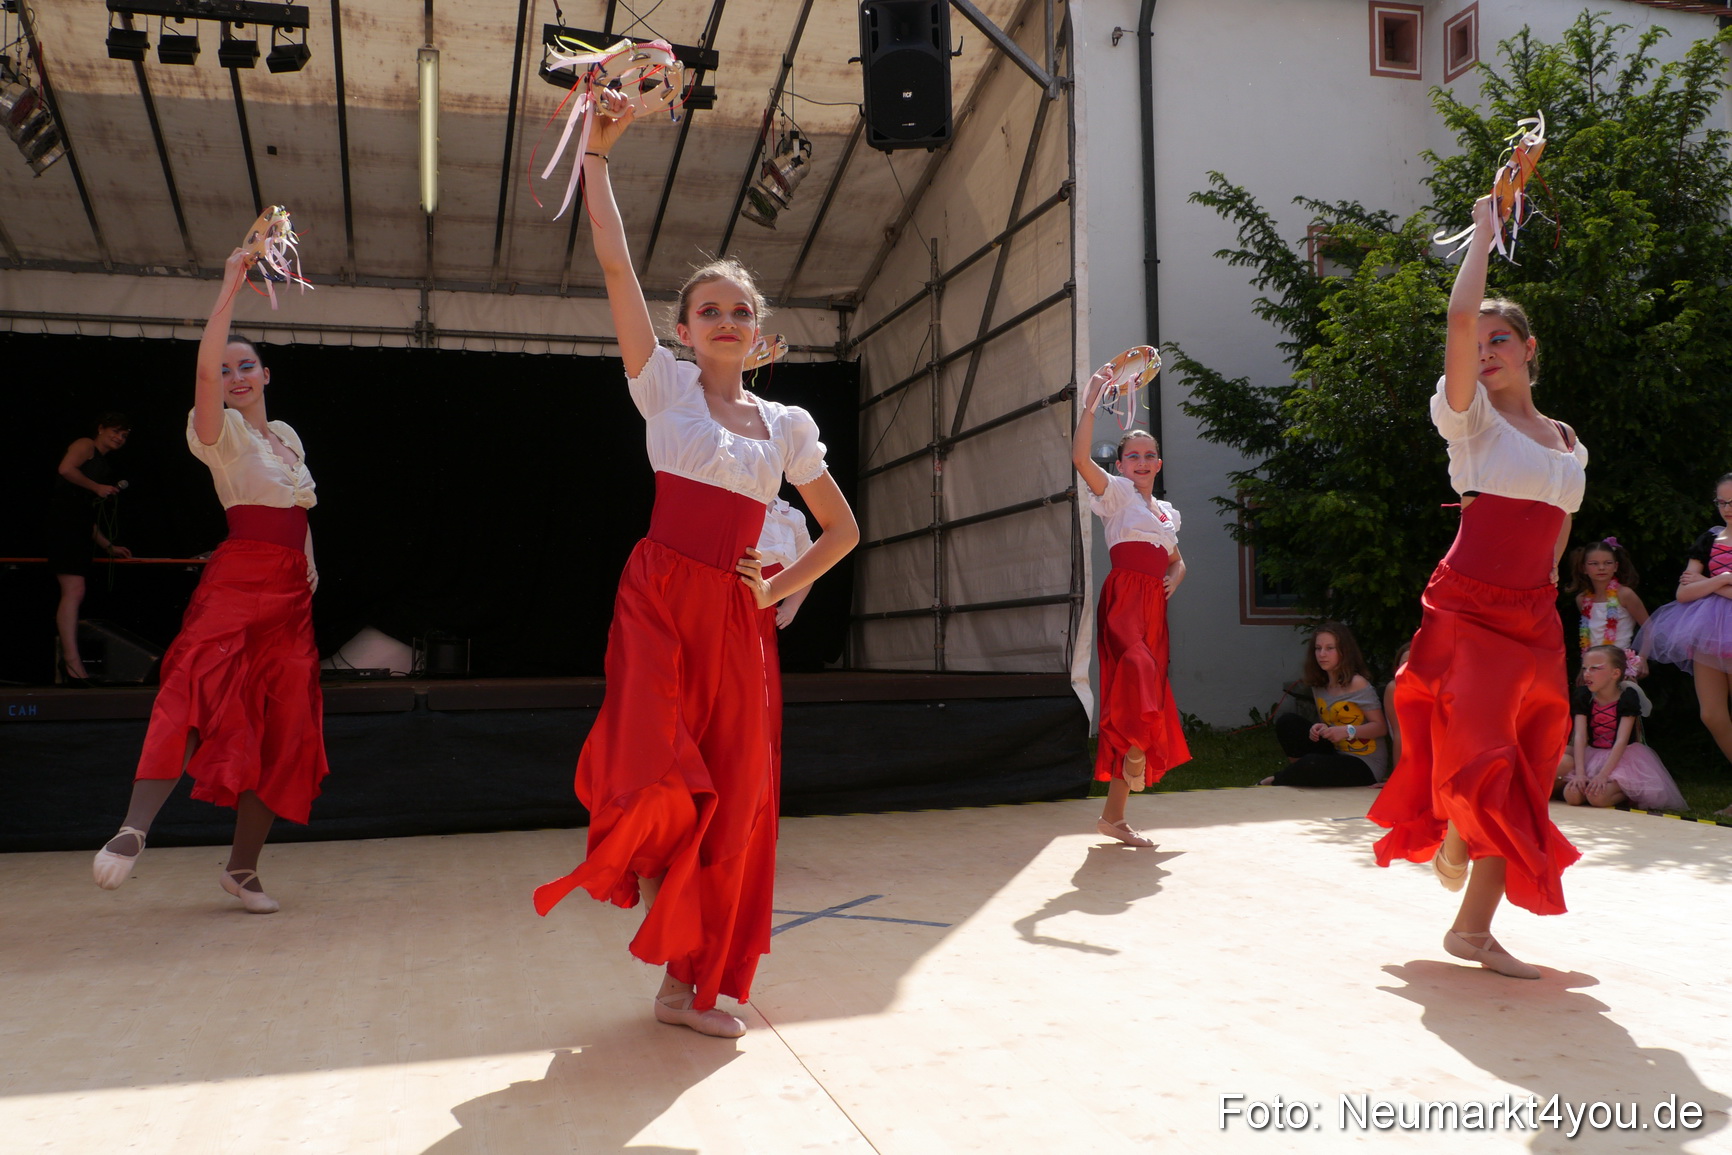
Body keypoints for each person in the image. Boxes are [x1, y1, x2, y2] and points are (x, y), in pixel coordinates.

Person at [532, 92, 859, 1040]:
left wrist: (778, 586)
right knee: (662, 772)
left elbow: (840, 531)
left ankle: (690, 984)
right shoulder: (664, 386)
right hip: (660, 599)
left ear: (760, 334)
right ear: (683, 329)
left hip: (738, 616)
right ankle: (666, 934)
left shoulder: (788, 426)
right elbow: (613, 263)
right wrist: (596, 155)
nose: (724, 319)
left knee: (739, 797)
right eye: (708, 308)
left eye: (740, 311)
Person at [1368, 194, 1586, 980]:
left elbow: (1558, 517)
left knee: (1528, 768)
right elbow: (1460, 320)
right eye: (1480, 341)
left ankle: (1471, 920)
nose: (1487, 348)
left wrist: (1554, 573)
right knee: (1491, 762)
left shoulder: (1566, 442)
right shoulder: (1471, 422)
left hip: (1535, 619)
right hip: (1470, 608)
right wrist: (1485, 234)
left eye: (1503, 339)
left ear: (1531, 349)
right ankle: (1461, 848)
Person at [91, 249, 326, 915]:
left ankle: (242, 870)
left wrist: (311, 560)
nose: (235, 375)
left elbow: (299, 509)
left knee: (283, 727)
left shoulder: (285, 436)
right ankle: (135, 826)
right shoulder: (214, 434)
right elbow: (205, 366)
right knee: (197, 687)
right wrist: (229, 285)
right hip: (240, 578)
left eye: (246, 364)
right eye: (226, 370)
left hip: (290, 598)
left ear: (266, 372)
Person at [1071, 363, 1189, 848]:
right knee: (1137, 671)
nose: (1141, 461)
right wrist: (1092, 402)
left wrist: (1174, 579)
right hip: (1123, 601)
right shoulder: (1117, 495)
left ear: (1158, 463)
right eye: (1132, 455)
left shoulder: (1167, 514)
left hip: (1153, 609)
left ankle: (1113, 817)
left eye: (1149, 455)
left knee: (1140, 698)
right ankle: (1136, 757)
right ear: (1120, 465)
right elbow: (1080, 458)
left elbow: (1178, 561)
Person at [1637, 473, 1732, 816]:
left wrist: (1707, 583)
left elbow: (1697, 585)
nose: (1727, 509)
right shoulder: (1708, 539)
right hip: (1706, 630)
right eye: (1721, 502)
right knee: (1711, 714)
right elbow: (1683, 593)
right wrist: (1722, 579)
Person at [49, 413, 133, 683]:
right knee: (73, 590)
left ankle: (71, 661)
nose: (119, 437)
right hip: (63, 524)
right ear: (101, 428)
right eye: (115, 431)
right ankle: (72, 663)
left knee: (76, 591)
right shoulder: (86, 444)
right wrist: (96, 487)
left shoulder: (103, 464)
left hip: (76, 527)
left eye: (124, 434)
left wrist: (108, 546)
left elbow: (85, 515)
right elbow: (65, 469)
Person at [1261, 623, 1388, 787]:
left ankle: (1279, 780)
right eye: (1318, 648)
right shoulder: (1319, 685)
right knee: (1288, 723)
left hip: (1365, 763)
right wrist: (1320, 728)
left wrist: (1347, 731)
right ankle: (1300, 773)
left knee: (1312, 763)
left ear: (1344, 651)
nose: (1322, 654)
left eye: (1330, 648)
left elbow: (1380, 727)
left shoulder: (1357, 683)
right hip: (1336, 752)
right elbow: (1332, 723)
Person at [1561, 645, 1686, 811]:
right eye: (1585, 669)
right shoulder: (1584, 696)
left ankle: (1626, 792)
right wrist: (1581, 773)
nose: (1587, 674)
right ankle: (1596, 784)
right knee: (1573, 797)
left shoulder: (1627, 698)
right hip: (1593, 755)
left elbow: (1621, 740)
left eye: (1595, 669)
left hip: (1623, 759)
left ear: (1615, 673)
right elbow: (1580, 737)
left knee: (1597, 798)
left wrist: (1603, 775)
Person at [1565, 536, 1647, 668]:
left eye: (1607, 563)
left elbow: (1649, 628)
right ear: (1584, 568)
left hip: (1621, 666)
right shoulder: (1582, 599)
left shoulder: (1625, 594)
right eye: (1594, 564)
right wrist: (1584, 668)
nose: (1601, 568)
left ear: (1615, 566)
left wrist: (1641, 659)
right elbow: (1589, 637)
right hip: (1593, 668)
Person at [1382, 641, 1412, 776]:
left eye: (1413, 662)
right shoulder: (1394, 688)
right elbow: (1399, 733)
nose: (1407, 668)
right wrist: (1398, 777)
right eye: (1403, 663)